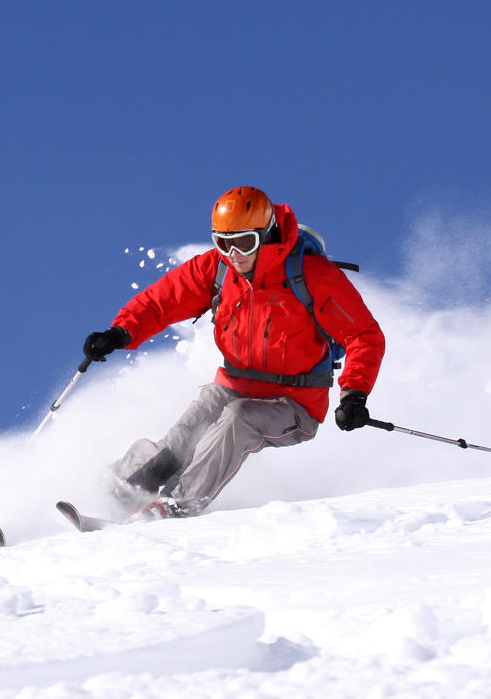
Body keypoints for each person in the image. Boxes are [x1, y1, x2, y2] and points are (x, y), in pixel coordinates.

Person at [82, 186, 386, 521]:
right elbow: (161, 302)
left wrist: (354, 395)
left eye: (244, 243)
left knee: (238, 419)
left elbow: (363, 335)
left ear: (266, 235)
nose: (234, 254)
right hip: (234, 384)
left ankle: (177, 506)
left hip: (295, 402)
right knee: (186, 433)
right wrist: (121, 332)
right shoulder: (219, 269)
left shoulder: (314, 276)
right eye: (223, 243)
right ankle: (120, 490)